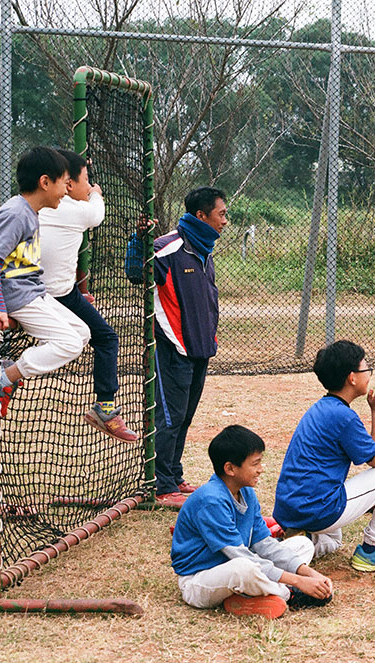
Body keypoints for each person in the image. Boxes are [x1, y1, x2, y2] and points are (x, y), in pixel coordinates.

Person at [273, 340, 375, 572]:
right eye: (366, 369)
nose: (369, 375)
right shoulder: (343, 416)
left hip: (291, 509)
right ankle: (373, 549)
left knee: (332, 541)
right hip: (316, 509)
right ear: (352, 377)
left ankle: (291, 545)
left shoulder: (322, 407)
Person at [171, 425, 333, 619]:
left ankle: (252, 597)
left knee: (303, 544)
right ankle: (287, 595)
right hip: (201, 580)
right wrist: (299, 582)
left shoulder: (246, 491)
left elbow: (263, 544)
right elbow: (240, 557)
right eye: (255, 463)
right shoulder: (211, 501)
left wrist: (310, 574)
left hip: (241, 562)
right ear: (230, 468)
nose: (261, 470)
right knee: (245, 568)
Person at [0, 146, 91, 418]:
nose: (66, 190)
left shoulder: (31, 212)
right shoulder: (15, 214)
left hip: (34, 293)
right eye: (64, 183)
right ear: (45, 182)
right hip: (18, 297)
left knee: (82, 333)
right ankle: (1, 379)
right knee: (69, 344)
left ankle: (7, 368)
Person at [38, 148, 137, 442]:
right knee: (106, 338)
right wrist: (96, 193)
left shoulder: (41, 205)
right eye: (86, 178)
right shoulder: (74, 209)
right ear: (67, 185)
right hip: (55, 296)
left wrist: (77, 166)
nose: (89, 184)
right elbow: (97, 213)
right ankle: (105, 408)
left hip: (58, 292)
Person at [144, 186, 227, 507]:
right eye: (221, 214)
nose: (225, 221)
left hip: (200, 349)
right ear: (201, 216)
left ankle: (174, 474)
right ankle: (162, 485)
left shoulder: (204, 250)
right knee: (170, 416)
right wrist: (139, 241)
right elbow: (135, 270)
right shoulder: (166, 247)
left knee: (186, 416)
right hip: (172, 351)